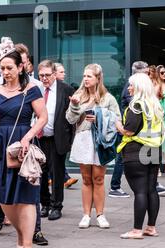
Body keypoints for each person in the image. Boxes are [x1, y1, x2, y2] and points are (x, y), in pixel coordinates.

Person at [0, 46, 48, 248]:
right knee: (3, 196)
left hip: (22, 146)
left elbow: (43, 117)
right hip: (0, 144)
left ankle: (28, 246)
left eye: (9, 68)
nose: (5, 72)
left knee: (26, 196)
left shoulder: (32, 89)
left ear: (20, 67)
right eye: (2, 68)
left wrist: (27, 137)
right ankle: (21, 232)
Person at [66, 63, 120, 229]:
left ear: (98, 78)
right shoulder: (78, 95)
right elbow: (70, 119)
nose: (85, 79)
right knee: (86, 179)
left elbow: (117, 119)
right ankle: (86, 215)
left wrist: (100, 119)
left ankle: (101, 215)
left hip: (99, 142)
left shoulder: (108, 98)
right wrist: (75, 106)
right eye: (84, 76)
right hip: (83, 139)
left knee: (98, 178)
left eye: (89, 76)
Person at [109, 61, 165, 198]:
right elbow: (135, 113)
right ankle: (115, 186)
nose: (148, 76)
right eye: (145, 73)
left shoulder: (141, 93)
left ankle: (152, 184)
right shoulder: (132, 89)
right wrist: (118, 124)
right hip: (131, 128)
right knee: (122, 159)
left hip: (138, 132)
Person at [117, 72, 164, 239]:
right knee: (151, 190)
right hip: (154, 151)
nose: (128, 88)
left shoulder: (136, 105)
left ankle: (137, 230)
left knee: (140, 192)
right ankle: (151, 227)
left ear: (138, 88)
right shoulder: (155, 104)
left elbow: (129, 130)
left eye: (131, 85)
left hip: (136, 152)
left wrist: (117, 124)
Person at [37, 60, 75, 221]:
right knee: (40, 173)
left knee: (57, 174)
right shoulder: (36, 89)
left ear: (54, 74)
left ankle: (56, 206)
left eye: (47, 75)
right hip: (39, 138)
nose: (44, 78)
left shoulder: (65, 89)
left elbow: (71, 116)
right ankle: (44, 204)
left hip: (57, 138)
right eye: (41, 75)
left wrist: (70, 140)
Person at [52, 62, 78, 189]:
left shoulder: (66, 89)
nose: (64, 74)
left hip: (62, 130)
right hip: (49, 131)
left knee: (59, 159)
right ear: (54, 73)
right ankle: (63, 178)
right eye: (61, 72)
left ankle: (64, 178)